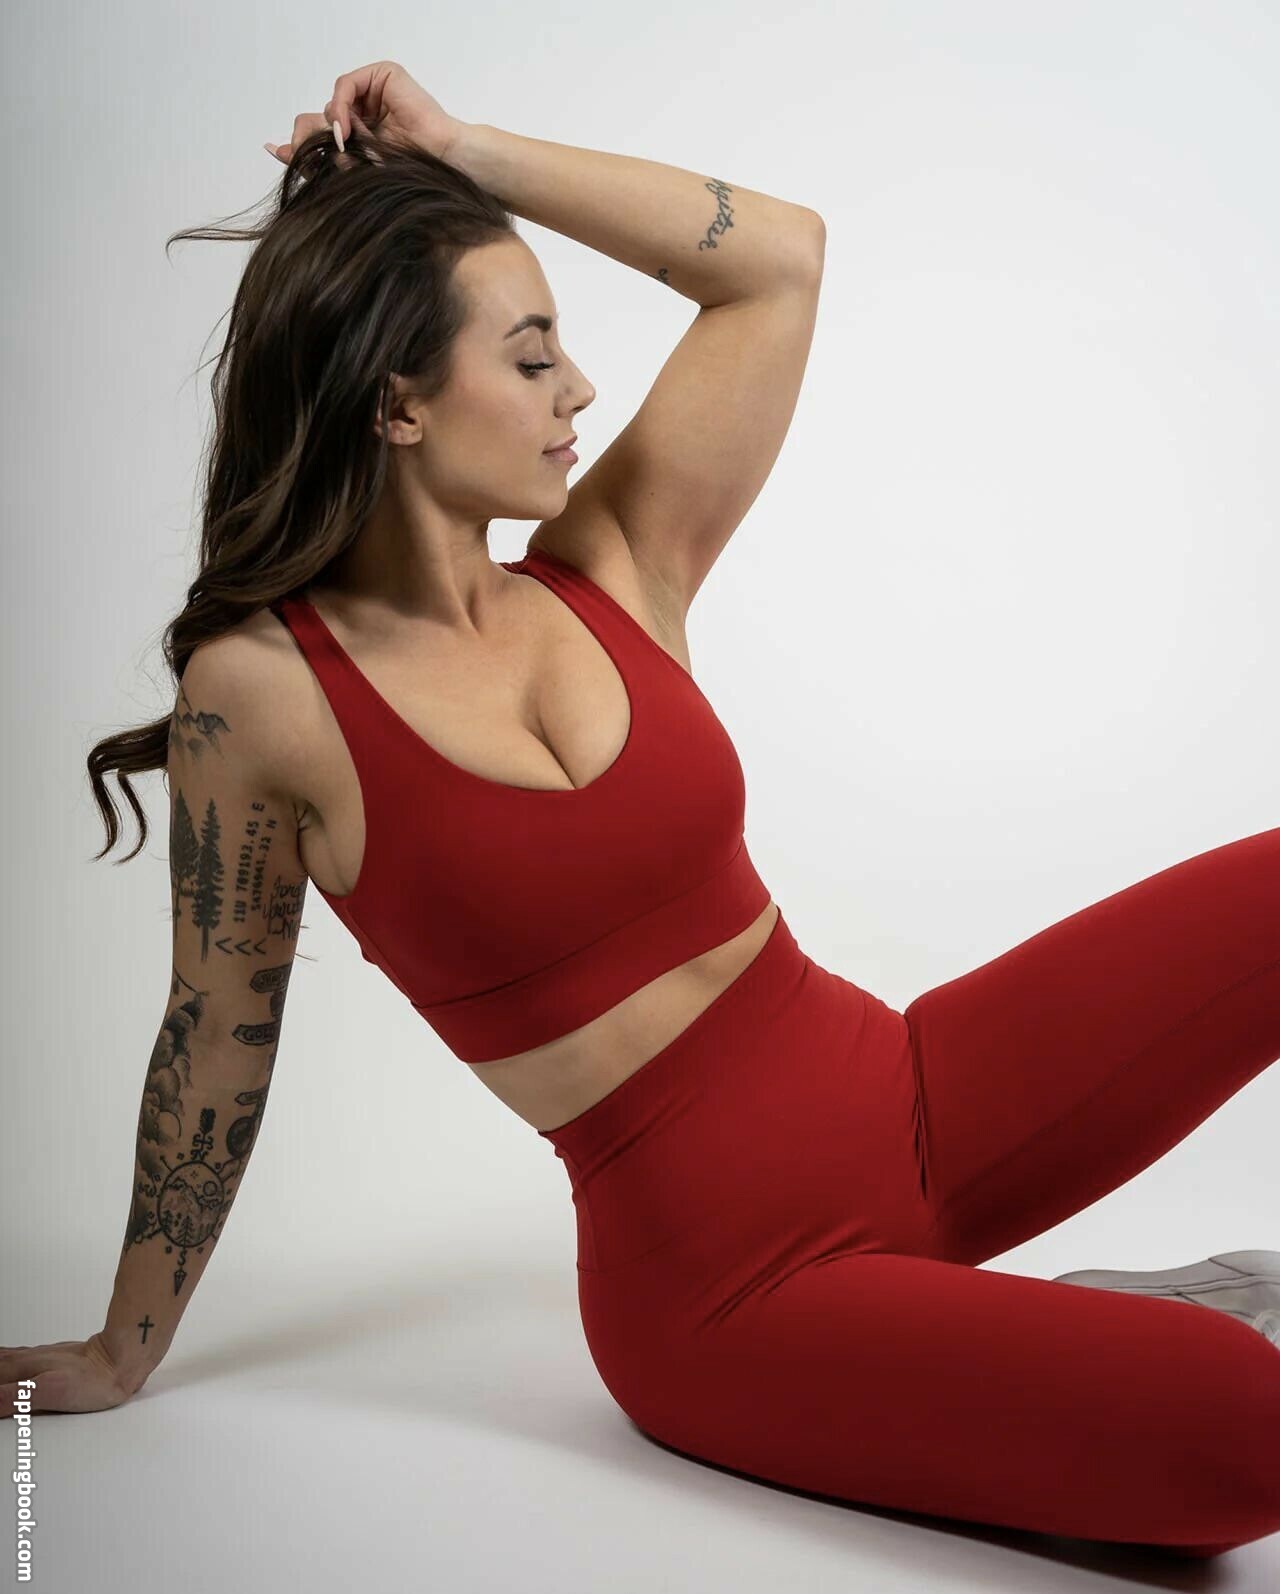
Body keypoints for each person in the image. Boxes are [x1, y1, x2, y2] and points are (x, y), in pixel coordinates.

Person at [4, 61, 1278, 1564]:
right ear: (398, 402)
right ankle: (1114, 1346)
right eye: (532, 354)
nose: (581, 390)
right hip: (733, 1297)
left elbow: (777, 260)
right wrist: (122, 1347)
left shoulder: (614, 560)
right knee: (1243, 1435)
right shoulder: (268, 694)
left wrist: (462, 150)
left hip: (914, 1102)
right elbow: (213, 1034)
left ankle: (1077, 1340)